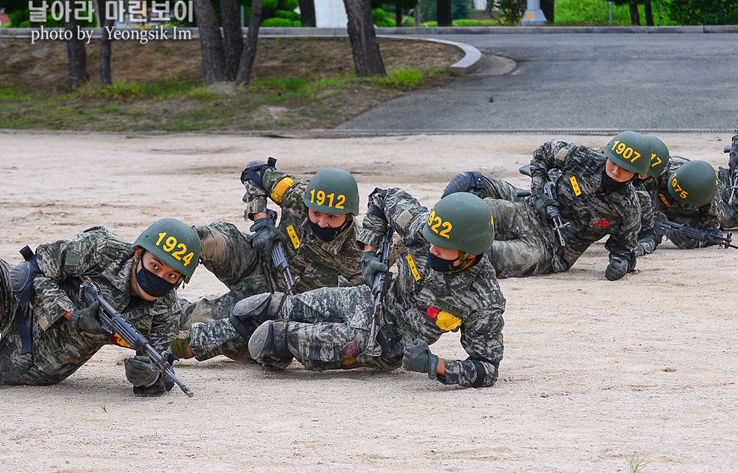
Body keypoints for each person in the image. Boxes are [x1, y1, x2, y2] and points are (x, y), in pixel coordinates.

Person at [181, 191, 506, 388]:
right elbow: (382, 197)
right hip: (369, 297)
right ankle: (183, 346)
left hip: (382, 343)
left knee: (271, 337)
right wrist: (370, 253)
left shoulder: (484, 298)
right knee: (262, 306)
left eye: (443, 249)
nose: (432, 250)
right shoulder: (424, 229)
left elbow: (487, 367)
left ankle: (274, 352)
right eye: (431, 243)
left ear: (469, 252)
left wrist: (435, 365)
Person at [0, 219, 199, 396]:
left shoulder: (166, 310)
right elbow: (37, 268)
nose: (160, 278)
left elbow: (160, 367)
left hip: (35, 360)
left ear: (181, 280)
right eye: (155, 266)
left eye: (172, 276)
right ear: (139, 254)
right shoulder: (102, 249)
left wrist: (148, 378)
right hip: (20, 305)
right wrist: (71, 314)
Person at [444, 131, 651, 281]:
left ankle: (438, 260)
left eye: (624, 169)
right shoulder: (584, 158)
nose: (615, 170)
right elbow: (544, 152)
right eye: (613, 162)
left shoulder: (629, 209)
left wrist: (620, 264)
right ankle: (424, 233)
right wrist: (538, 190)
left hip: (550, 250)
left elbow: (623, 248)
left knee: (490, 256)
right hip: (527, 211)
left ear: (636, 174)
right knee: (469, 213)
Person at [179, 164, 364, 331]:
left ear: (349, 215)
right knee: (196, 240)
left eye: (332, 217)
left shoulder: (358, 254)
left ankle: (162, 312)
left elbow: (355, 308)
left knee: (191, 320)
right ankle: (155, 283)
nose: (322, 223)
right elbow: (255, 173)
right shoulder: (296, 194)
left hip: (271, 308)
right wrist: (261, 222)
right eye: (315, 213)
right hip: (254, 260)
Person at [635, 158, 721, 254]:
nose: (680, 203)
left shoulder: (708, 197)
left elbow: (713, 232)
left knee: (729, 217)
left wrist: (695, 243)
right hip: (655, 201)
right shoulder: (661, 172)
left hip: (685, 217)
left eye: (685, 202)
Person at [633, 136, 671, 255]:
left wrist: (640, 249)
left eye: (643, 173)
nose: (638, 176)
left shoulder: (641, 196)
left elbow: (647, 235)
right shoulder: (593, 164)